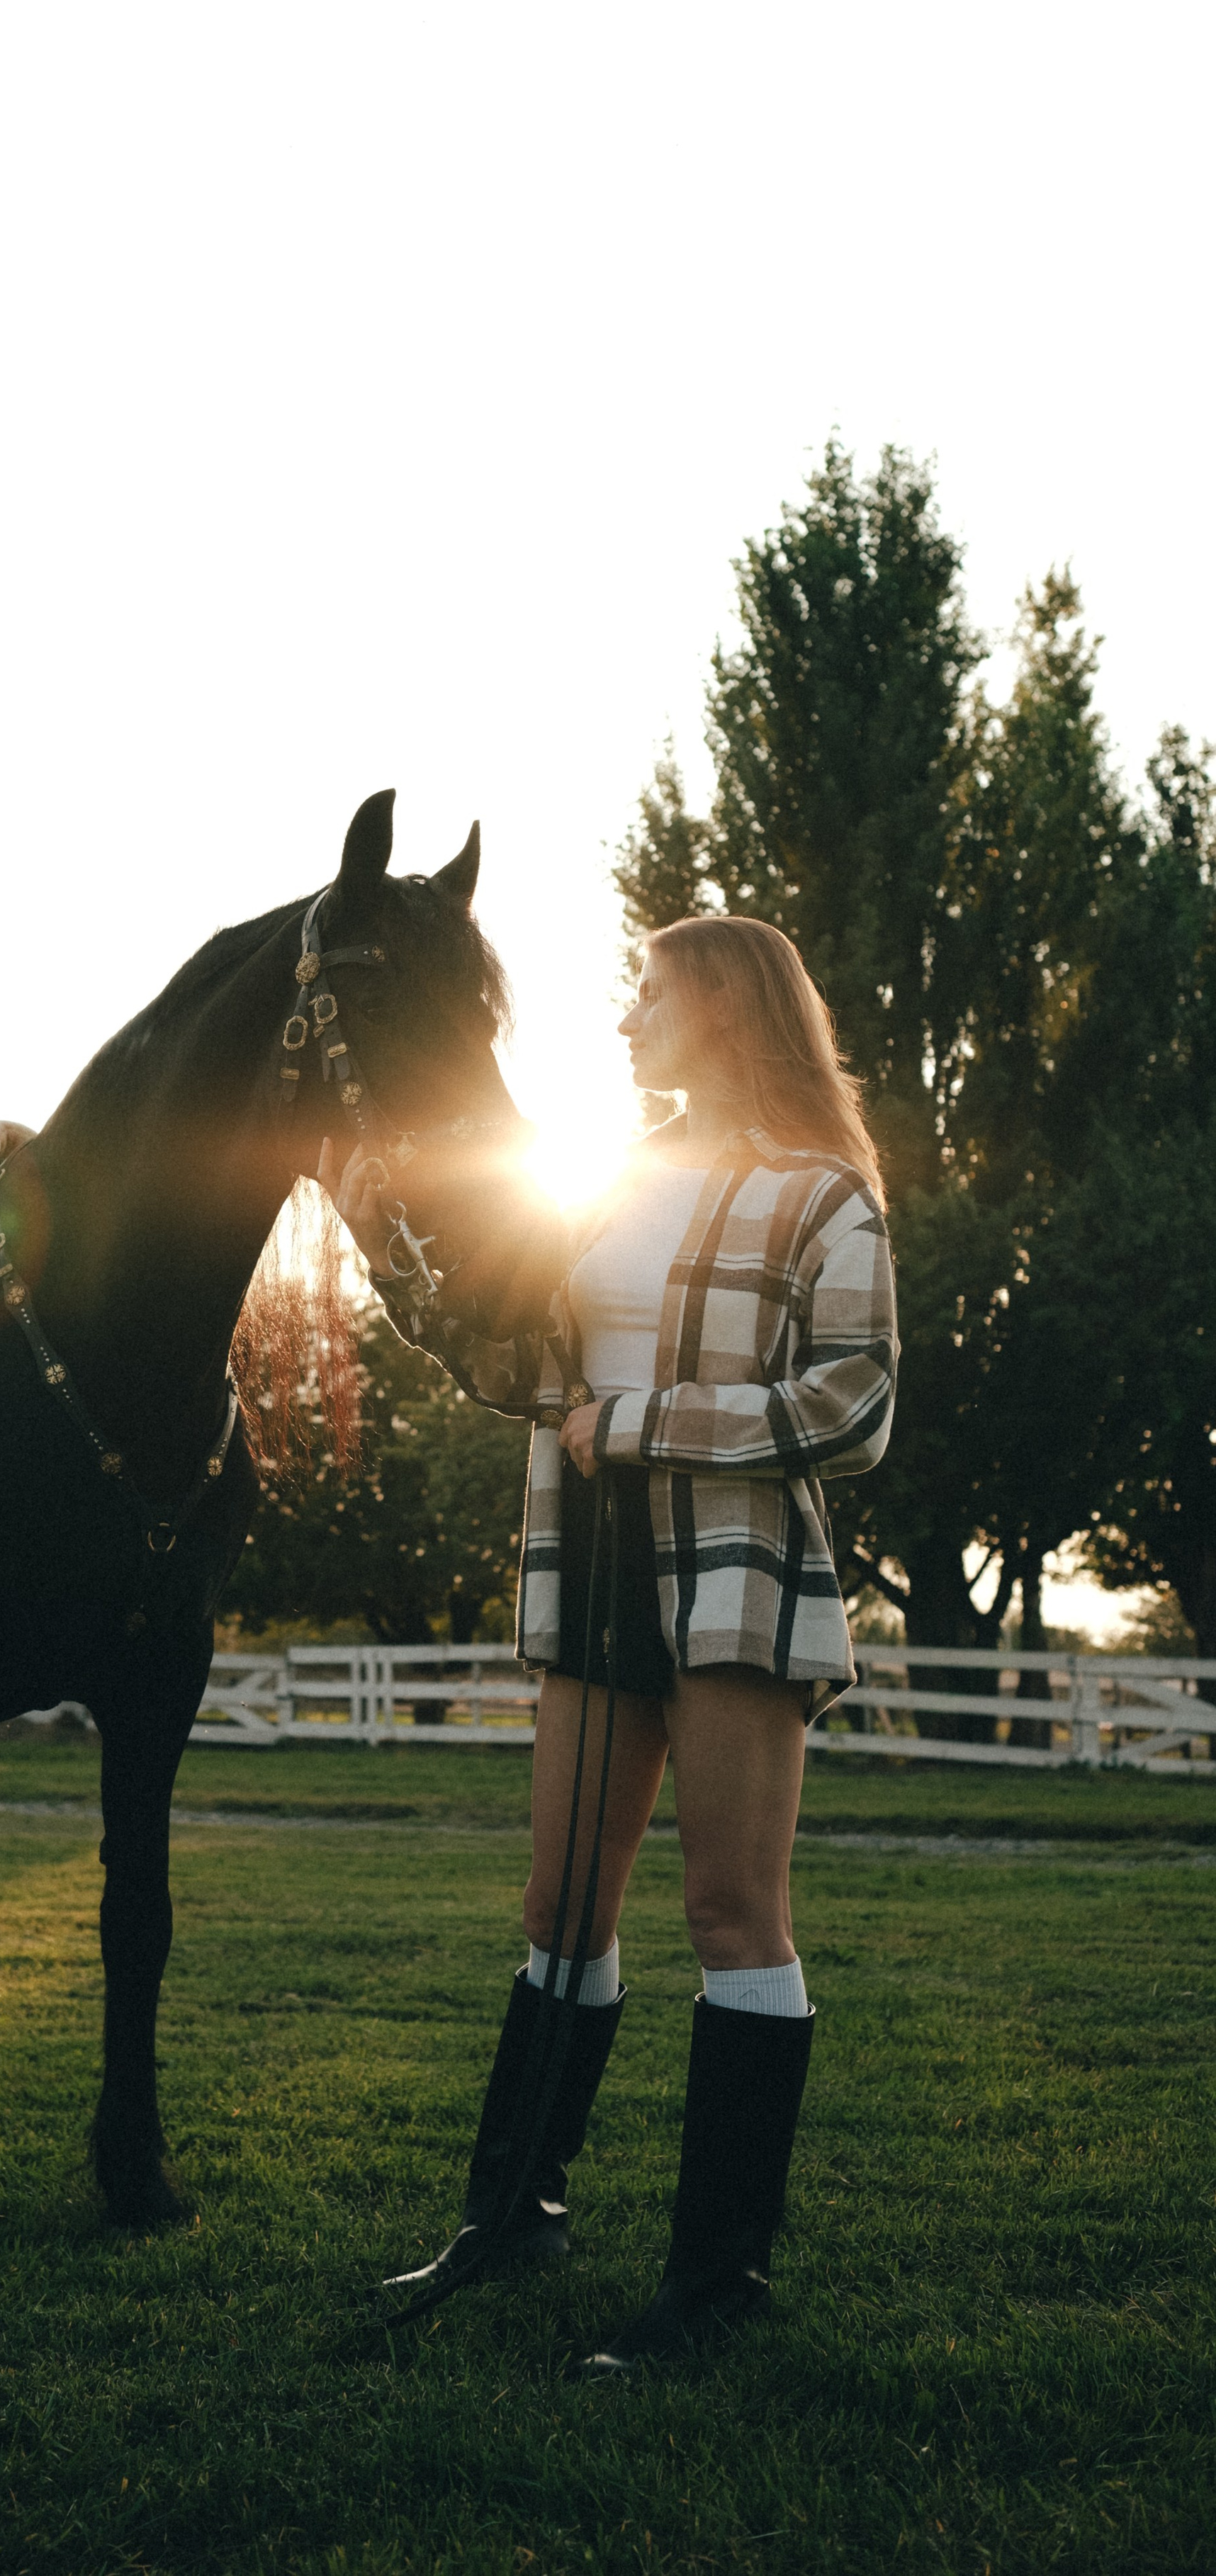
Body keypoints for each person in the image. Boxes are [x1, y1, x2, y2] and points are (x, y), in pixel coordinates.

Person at [326, 914, 897, 2372]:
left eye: (648, 989)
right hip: (584, 1569)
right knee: (560, 1902)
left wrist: (639, 1427)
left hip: (732, 1577)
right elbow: (527, 1370)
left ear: (721, 1003)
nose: (626, 1016)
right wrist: (393, 1263)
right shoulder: (610, 1183)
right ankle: (512, 2214)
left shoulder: (823, 1195)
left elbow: (851, 1407)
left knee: (727, 1913)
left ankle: (717, 2288)